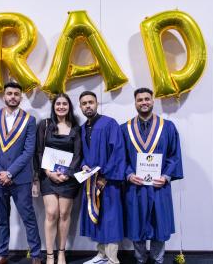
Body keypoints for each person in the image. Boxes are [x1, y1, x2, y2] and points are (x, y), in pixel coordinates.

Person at [120, 88, 183, 264]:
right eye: (140, 100)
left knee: (159, 223)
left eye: (147, 99)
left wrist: (166, 176)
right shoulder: (125, 129)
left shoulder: (168, 127)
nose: (144, 102)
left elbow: (174, 155)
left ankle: (158, 259)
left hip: (158, 186)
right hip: (136, 186)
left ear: (153, 101)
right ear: (135, 103)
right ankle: (140, 259)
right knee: (136, 222)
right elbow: (120, 158)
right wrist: (128, 174)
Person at [0, 82, 42, 264]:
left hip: (21, 179)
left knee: (29, 218)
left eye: (16, 94)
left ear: (21, 97)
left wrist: (9, 173)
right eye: (9, 93)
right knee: (2, 219)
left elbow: (29, 151)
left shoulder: (29, 120)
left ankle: (35, 254)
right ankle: (2, 253)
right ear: (4, 96)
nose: (13, 97)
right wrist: (0, 172)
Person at [78, 91, 126, 264]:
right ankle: (101, 254)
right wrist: (83, 164)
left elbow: (118, 151)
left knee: (110, 219)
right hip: (91, 182)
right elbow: (84, 153)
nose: (88, 106)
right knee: (96, 216)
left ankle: (112, 259)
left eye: (90, 102)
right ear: (80, 107)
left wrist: (105, 177)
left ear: (97, 103)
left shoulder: (109, 124)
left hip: (108, 182)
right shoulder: (83, 128)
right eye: (84, 103)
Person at [34, 93, 82, 264]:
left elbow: (78, 155)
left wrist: (66, 173)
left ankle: (61, 252)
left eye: (65, 104)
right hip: (48, 177)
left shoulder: (76, 128)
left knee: (64, 214)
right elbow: (39, 151)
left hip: (68, 179)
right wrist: (48, 172)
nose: (61, 107)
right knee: (51, 213)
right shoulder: (45, 125)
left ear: (69, 107)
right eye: (58, 104)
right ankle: (49, 255)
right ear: (54, 107)